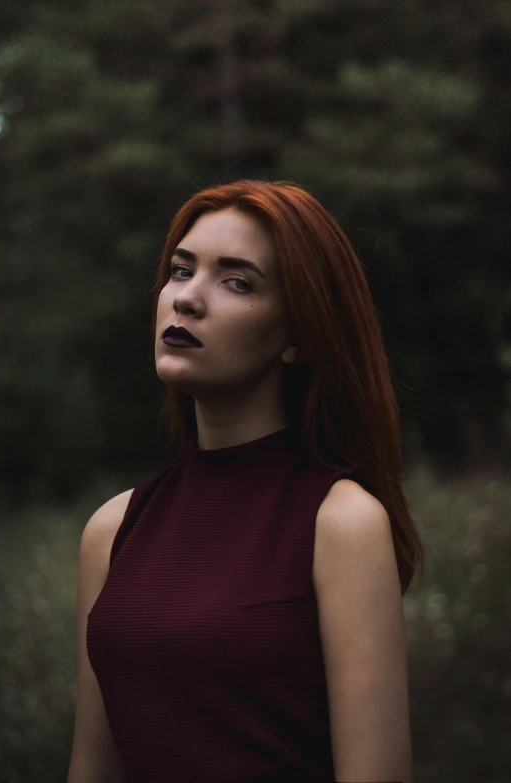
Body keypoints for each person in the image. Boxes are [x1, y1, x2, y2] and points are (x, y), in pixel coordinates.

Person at [67, 180, 423, 783]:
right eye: (180, 271)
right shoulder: (112, 529)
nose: (186, 299)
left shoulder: (340, 523)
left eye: (237, 281)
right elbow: (90, 770)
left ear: (299, 338)